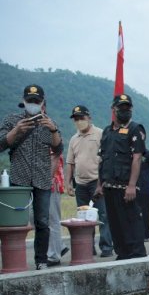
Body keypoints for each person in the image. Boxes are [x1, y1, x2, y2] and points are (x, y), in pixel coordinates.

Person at [0, 84, 63, 269]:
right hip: (19, 178)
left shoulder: (49, 123)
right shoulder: (12, 120)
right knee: (15, 222)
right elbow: (1, 144)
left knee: (42, 221)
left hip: (42, 179)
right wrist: (17, 130)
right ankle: (13, 261)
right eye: (30, 101)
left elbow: (58, 149)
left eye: (37, 101)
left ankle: (41, 261)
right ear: (23, 101)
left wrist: (53, 130)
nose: (33, 104)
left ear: (42, 102)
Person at [95, 94, 147, 260]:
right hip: (109, 186)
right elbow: (102, 159)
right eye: (121, 108)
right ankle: (122, 254)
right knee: (115, 223)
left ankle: (137, 254)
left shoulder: (135, 129)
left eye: (127, 108)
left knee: (131, 222)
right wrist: (99, 184)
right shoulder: (107, 131)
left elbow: (137, 158)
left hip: (127, 187)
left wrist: (132, 185)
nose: (124, 111)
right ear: (113, 109)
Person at [65, 105, 113, 257]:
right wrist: (67, 183)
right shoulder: (74, 139)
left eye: (82, 118)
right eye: (76, 119)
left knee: (103, 215)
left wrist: (102, 182)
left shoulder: (100, 133)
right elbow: (70, 163)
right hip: (80, 183)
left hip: (96, 182)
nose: (79, 121)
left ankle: (106, 247)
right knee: (84, 217)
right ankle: (88, 247)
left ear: (89, 118)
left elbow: (106, 159)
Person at [47, 151, 68, 266]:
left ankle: (54, 256)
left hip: (52, 183)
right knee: (34, 217)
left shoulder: (51, 135)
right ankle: (60, 246)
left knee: (53, 219)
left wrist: (49, 179)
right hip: (40, 185)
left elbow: (54, 158)